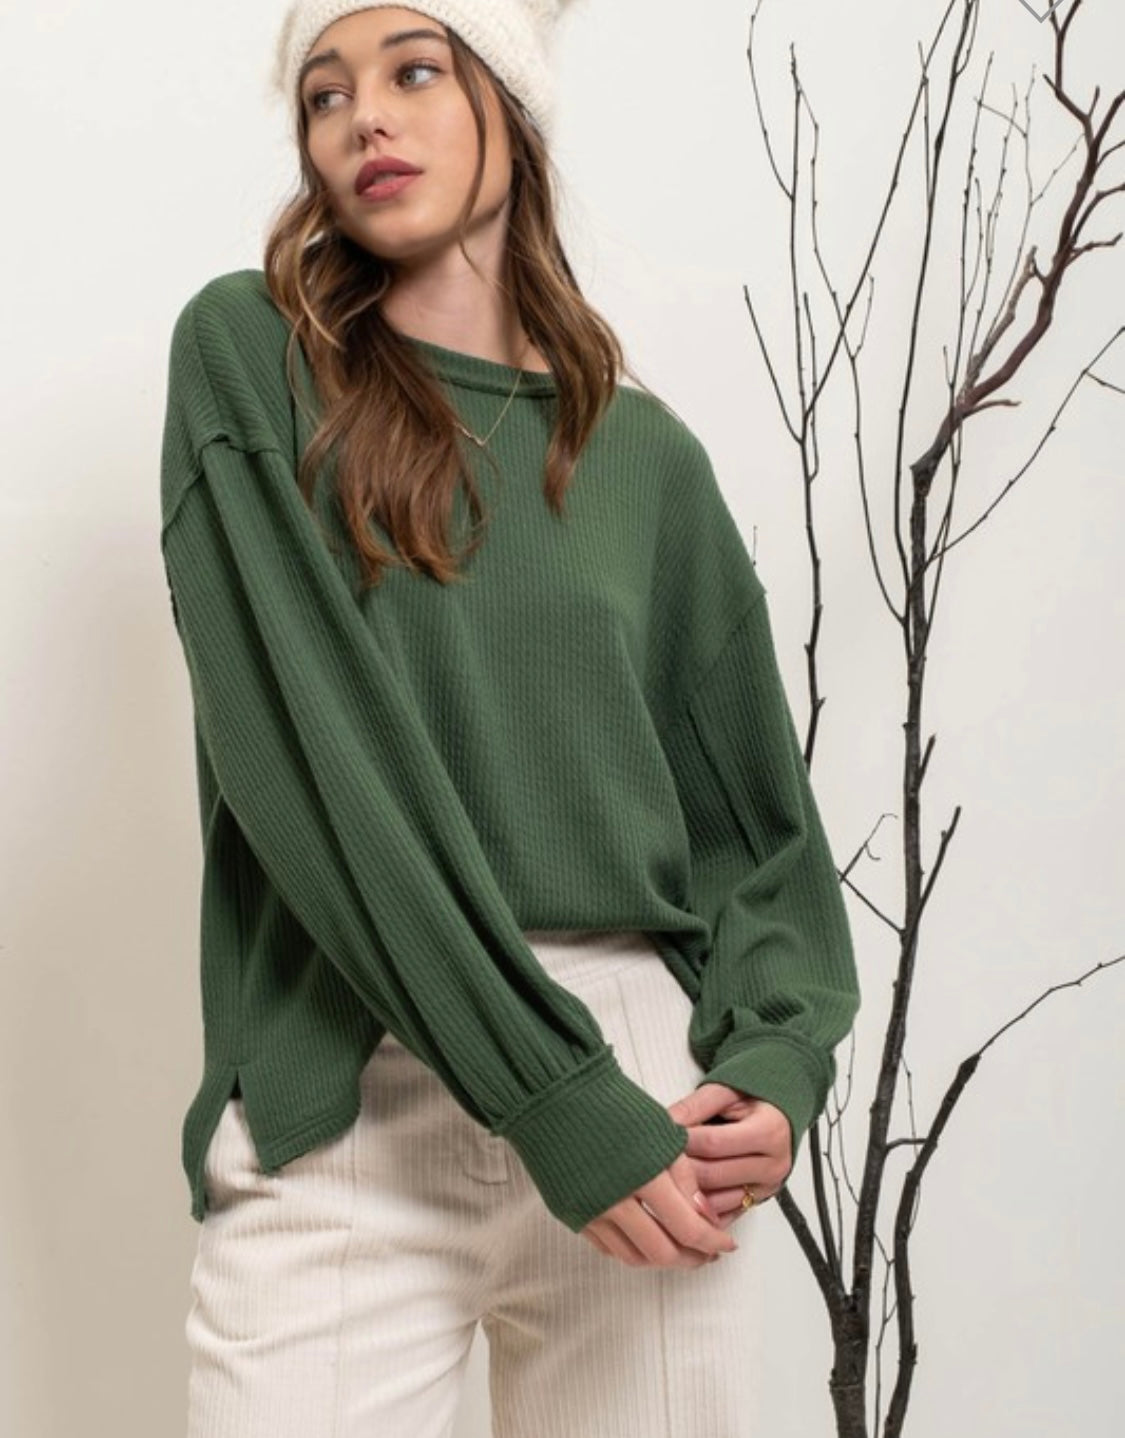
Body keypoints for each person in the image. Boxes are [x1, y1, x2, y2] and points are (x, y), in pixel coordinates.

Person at [158, 3, 860, 1435]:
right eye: (324, 94)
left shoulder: (644, 460)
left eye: (414, 70)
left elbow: (756, 838)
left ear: (511, 107)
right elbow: (316, 765)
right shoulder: (249, 358)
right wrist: (552, 1098)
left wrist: (775, 1063)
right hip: (346, 1075)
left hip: (644, 1085)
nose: (364, 116)